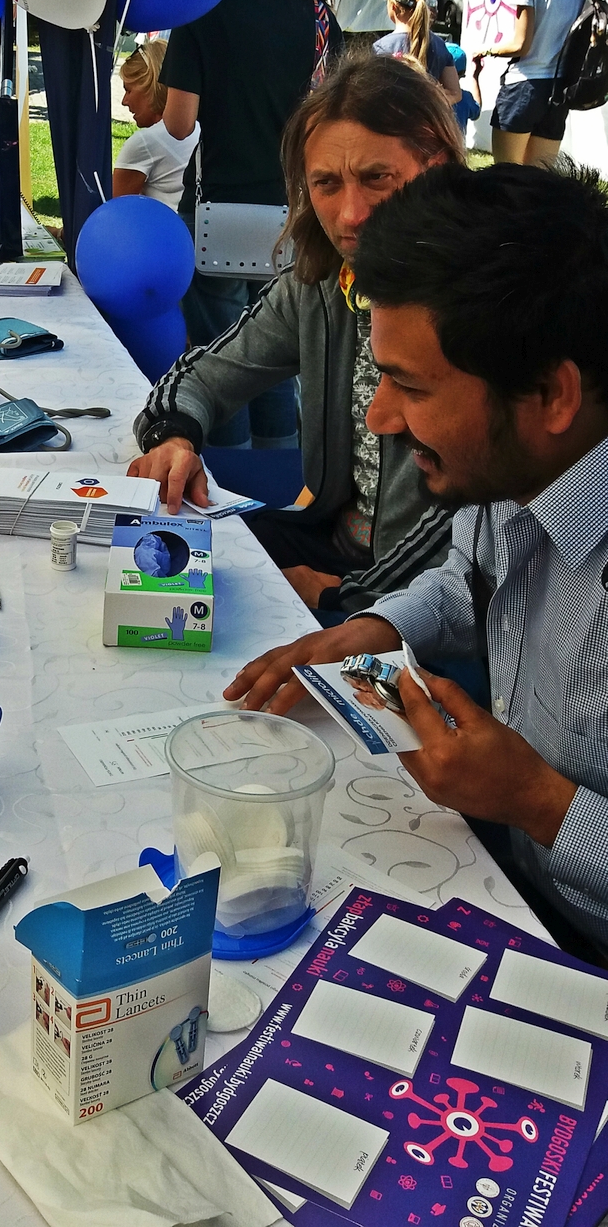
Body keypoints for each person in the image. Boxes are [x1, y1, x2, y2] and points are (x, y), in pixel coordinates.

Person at [226, 160, 608, 961]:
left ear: (550, 396)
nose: (378, 417)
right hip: (503, 878)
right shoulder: (515, 467)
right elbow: (467, 584)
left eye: (410, 386)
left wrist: (539, 801)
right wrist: (369, 628)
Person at [131, 56, 464, 616]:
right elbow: (204, 376)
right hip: (334, 549)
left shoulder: (481, 300)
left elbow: (480, 517)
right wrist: (173, 439)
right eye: (326, 184)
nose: (351, 215)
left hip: (432, 598)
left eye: (377, 178)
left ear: (438, 166)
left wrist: (343, 598)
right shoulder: (321, 284)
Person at [161, 0, 341, 448]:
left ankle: (230, 475)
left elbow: (177, 124)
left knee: (220, 360)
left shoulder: (204, 9)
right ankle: (278, 474)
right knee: (278, 356)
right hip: (297, 212)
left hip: (217, 206)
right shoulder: (320, 18)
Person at [483, 0, 584, 166]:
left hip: (524, 85)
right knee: (539, 180)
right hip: (559, 89)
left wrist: (488, 50)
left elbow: (521, 45)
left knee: (506, 175)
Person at [112, 40, 199, 208]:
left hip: (164, 224)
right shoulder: (197, 128)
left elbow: (117, 211)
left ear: (149, 87)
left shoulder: (145, 142)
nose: (124, 101)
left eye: (128, 90)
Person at [372, 0, 460, 102]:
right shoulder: (439, 45)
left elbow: (373, 94)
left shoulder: (381, 48)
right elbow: (455, 93)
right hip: (427, 114)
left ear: (393, 6)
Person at [446, 41, 483, 136]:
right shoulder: (465, 98)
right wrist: (475, 77)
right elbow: (477, 111)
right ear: (462, 73)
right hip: (457, 145)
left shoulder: (428, 95)